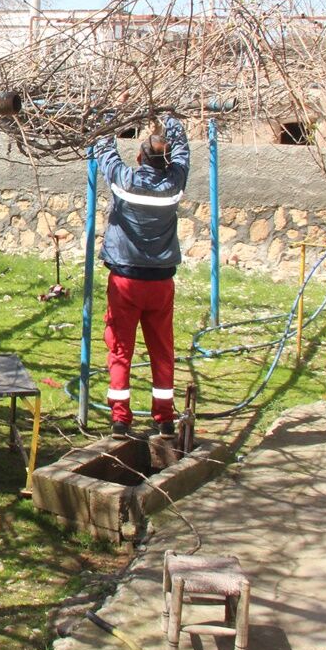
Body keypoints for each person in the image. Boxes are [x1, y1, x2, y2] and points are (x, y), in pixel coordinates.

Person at [93, 114, 190, 438]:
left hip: (126, 283)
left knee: (121, 349)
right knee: (162, 350)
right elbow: (183, 151)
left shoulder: (125, 182)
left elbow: (104, 150)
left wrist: (112, 113)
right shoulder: (174, 185)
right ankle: (164, 418)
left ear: (138, 158)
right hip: (160, 284)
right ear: (168, 162)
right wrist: (168, 116)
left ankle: (120, 419)